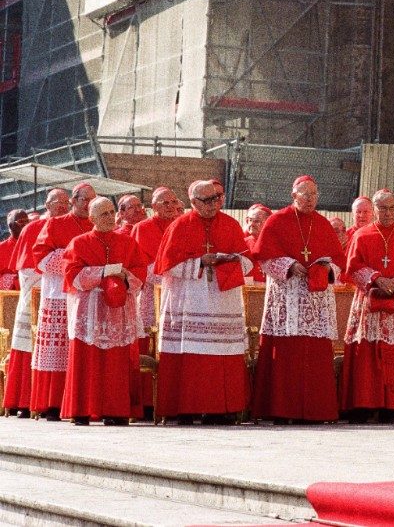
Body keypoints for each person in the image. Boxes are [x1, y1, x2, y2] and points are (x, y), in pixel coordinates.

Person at [155, 180, 253, 425]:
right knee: (190, 356)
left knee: (222, 354)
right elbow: (166, 266)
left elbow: (248, 261)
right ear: (192, 202)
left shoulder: (230, 224)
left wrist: (231, 261)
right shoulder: (179, 226)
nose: (213, 204)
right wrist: (200, 261)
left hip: (223, 299)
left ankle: (220, 410)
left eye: (216, 199)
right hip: (190, 299)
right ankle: (186, 409)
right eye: (206, 200)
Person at [251, 176, 346, 424]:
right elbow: (264, 258)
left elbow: (338, 260)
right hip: (286, 297)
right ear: (294, 196)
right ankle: (283, 410)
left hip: (316, 300)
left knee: (315, 355)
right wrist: (290, 265)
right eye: (305, 195)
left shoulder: (322, 224)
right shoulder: (277, 221)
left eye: (314, 195)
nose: (311, 199)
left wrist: (326, 268)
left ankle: (316, 411)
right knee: (286, 354)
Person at [341, 189, 394, 423]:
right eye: (382, 208)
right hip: (369, 303)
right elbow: (352, 267)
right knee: (367, 353)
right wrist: (377, 278)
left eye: (391, 208)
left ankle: (393, 406)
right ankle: (364, 404)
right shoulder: (362, 235)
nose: (388, 213)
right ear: (374, 209)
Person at [61, 197, 146, 426]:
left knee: (117, 362)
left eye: (111, 212)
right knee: (87, 359)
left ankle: (116, 411)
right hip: (90, 309)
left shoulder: (127, 242)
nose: (109, 217)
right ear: (92, 218)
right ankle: (82, 411)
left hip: (119, 310)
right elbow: (72, 276)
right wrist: (103, 272)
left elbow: (140, 271)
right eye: (103, 214)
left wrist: (125, 276)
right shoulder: (79, 243)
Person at [31, 183, 96, 421]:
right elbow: (40, 259)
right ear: (74, 201)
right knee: (57, 351)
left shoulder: (97, 226)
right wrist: (75, 259)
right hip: (59, 294)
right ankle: (53, 403)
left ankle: (83, 403)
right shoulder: (55, 224)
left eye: (92, 200)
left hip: (88, 297)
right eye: (85, 200)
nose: (88, 205)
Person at [3, 190, 69, 418]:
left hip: (65, 298)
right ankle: (24, 401)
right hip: (38, 297)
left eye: (66, 202)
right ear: (47, 205)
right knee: (28, 349)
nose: (63, 206)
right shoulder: (33, 229)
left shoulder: (71, 225)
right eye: (58, 202)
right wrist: (56, 275)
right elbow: (26, 271)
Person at [131, 186, 183, 419]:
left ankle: (174, 399)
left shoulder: (182, 225)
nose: (170, 207)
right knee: (150, 343)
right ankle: (146, 402)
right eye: (165, 203)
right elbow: (140, 265)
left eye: (173, 202)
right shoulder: (142, 228)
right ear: (153, 207)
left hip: (180, 295)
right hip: (151, 295)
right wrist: (171, 274)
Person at [243, 204, 272, 284]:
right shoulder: (242, 243)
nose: (251, 224)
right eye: (249, 220)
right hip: (248, 286)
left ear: (267, 223)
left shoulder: (276, 243)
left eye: (256, 221)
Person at [0, 210, 28, 290]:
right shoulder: (1, 248)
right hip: (10, 294)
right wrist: (12, 280)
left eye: (27, 221)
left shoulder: (35, 245)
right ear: (10, 226)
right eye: (21, 221)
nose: (25, 224)